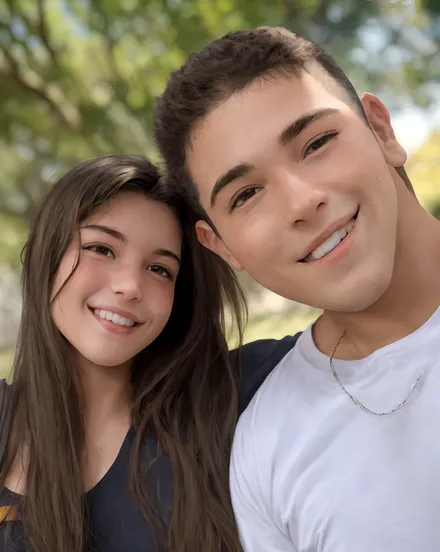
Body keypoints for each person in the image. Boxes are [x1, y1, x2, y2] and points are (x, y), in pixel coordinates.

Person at [152, 26, 440, 551]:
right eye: (246, 194)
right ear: (223, 248)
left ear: (381, 130)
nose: (301, 202)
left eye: (317, 143)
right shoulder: (267, 450)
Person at [0, 154, 251, 552]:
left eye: (160, 269)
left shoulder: (225, 399)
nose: (130, 285)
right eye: (102, 248)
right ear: (48, 258)